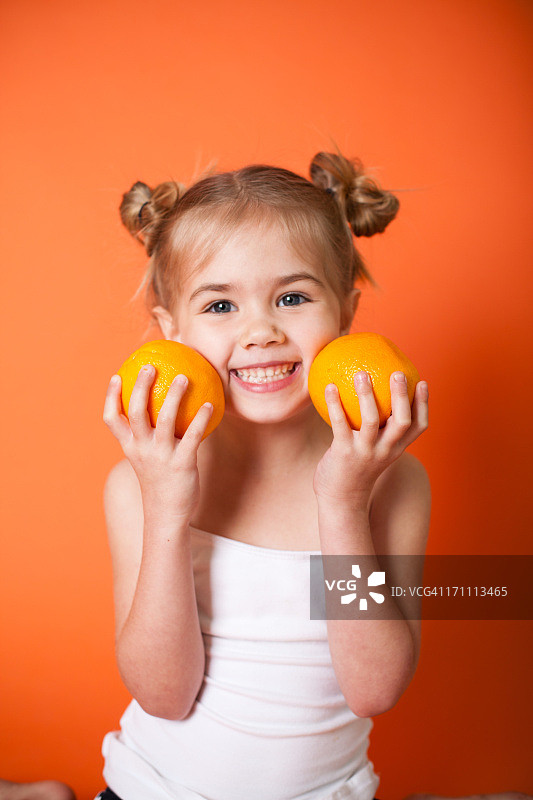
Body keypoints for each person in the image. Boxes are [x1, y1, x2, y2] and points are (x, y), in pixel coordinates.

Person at [98, 148, 431, 800]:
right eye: (220, 307)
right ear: (171, 332)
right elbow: (163, 696)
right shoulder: (137, 483)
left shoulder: (393, 480)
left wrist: (342, 502)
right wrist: (167, 509)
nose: (259, 332)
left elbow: (374, 690)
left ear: (345, 314)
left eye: (292, 297)